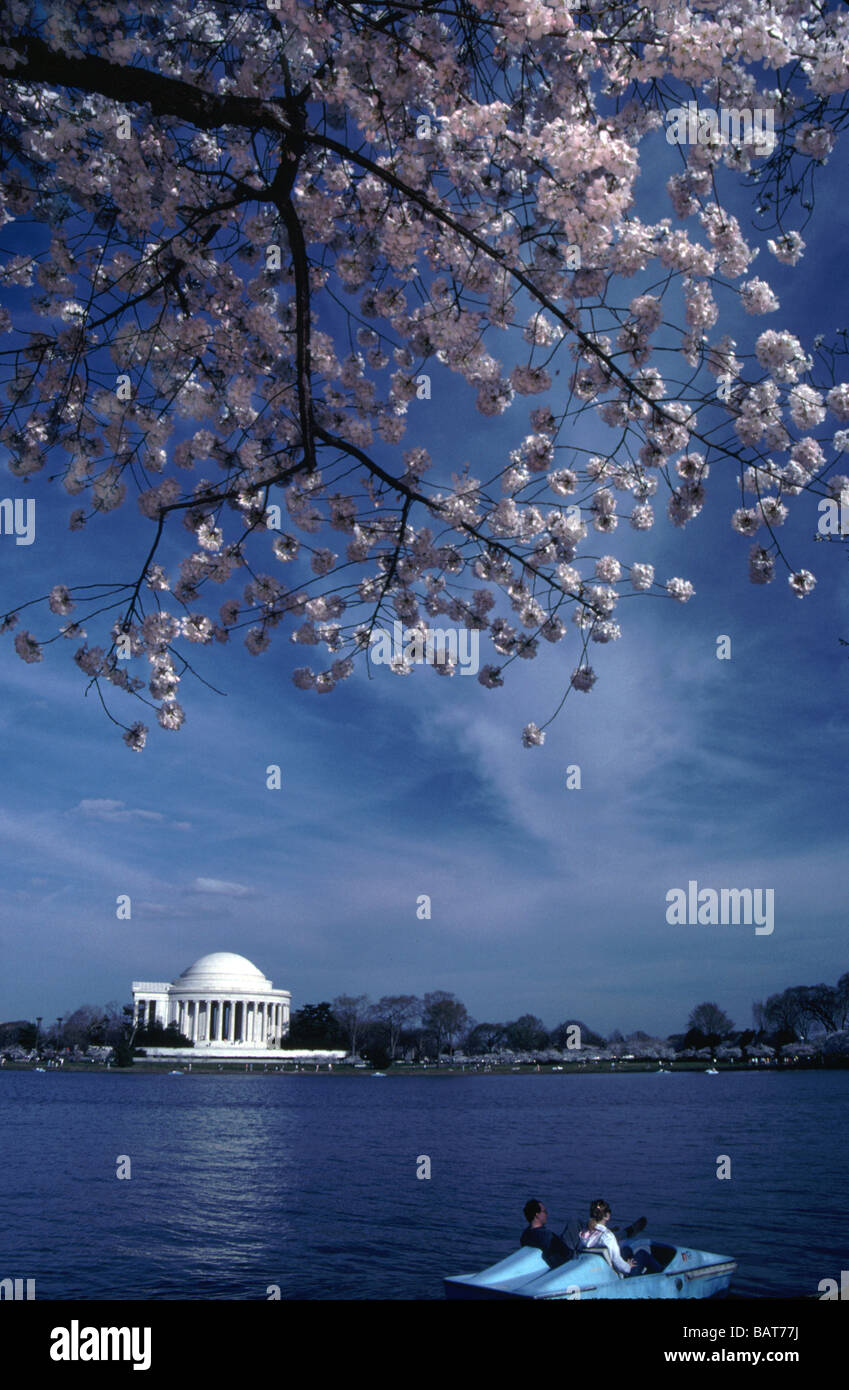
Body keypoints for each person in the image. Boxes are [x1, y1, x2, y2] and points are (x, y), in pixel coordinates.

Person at [578, 1198, 662, 1276]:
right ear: (606, 1216)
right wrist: (628, 1267)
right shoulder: (607, 1236)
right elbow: (616, 1260)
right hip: (616, 1273)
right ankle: (663, 1274)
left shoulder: (585, 1232)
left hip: (600, 1267)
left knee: (626, 1250)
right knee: (642, 1254)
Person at [519, 1200, 573, 1268]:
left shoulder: (525, 1235)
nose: (547, 1214)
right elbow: (566, 1253)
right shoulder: (546, 1235)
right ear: (537, 1215)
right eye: (545, 1212)